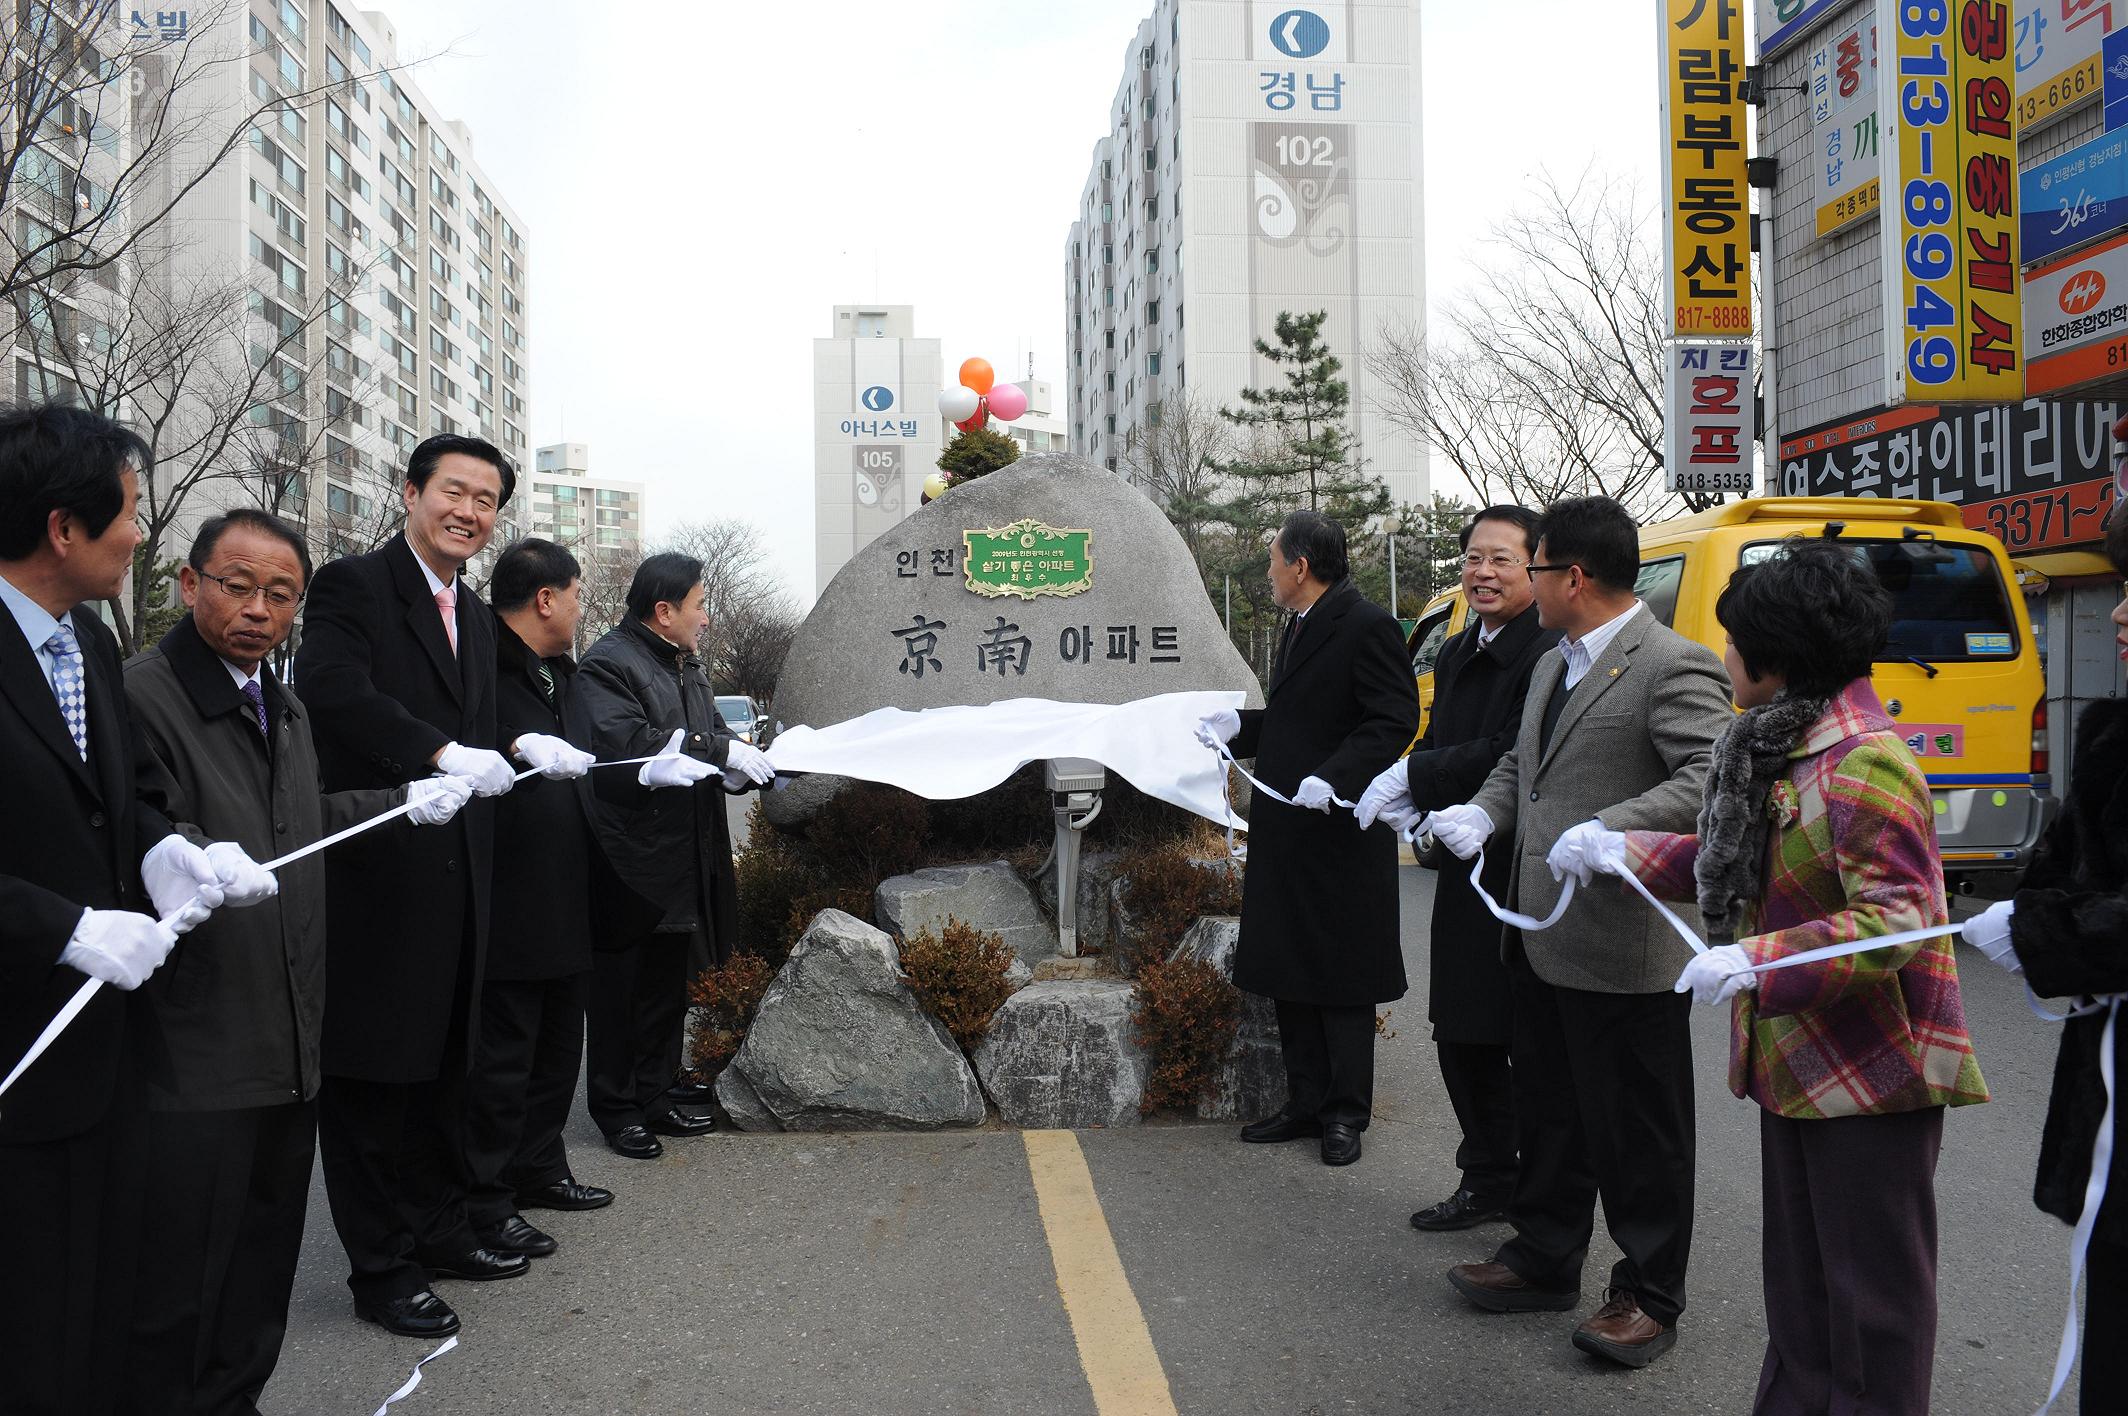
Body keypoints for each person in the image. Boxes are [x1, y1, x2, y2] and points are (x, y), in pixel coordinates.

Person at [1584, 541, 1987, 1412]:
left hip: (1875, 1070)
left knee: (1873, 1298)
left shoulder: (1865, 760)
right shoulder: (1779, 743)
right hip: (1796, 1058)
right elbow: (1735, 857)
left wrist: (1756, 958)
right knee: (1801, 1286)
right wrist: (1623, 851)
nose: (1725, 655)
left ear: (1781, 652)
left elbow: (1903, 921)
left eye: (1736, 641)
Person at [120, 509, 475, 1414]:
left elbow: (303, 822)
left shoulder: (284, 702)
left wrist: (403, 799)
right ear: (189, 583)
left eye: (280, 595)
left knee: (261, 1262)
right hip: (198, 1044)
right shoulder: (143, 695)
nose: (256, 609)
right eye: (236, 585)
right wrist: (186, 849)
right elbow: (136, 826)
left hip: (289, 1032)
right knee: (179, 1281)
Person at [0, 405, 274, 1415]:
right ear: (64, 528)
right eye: (129, 512)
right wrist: (60, 927)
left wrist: (167, 852)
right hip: (15, 1054)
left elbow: (122, 800)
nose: (140, 534)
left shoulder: (90, 642)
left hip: (110, 1059)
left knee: (93, 1306)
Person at [295, 433, 590, 1338]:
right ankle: (380, 1270)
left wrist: (514, 744)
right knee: (375, 1083)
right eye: (454, 492)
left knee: (439, 1077)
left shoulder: (466, 608)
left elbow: (475, 727)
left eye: (486, 500)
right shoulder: (355, 587)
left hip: (463, 881)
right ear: (413, 493)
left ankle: (437, 1228)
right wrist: (438, 750)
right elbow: (334, 691)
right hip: (381, 875)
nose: (469, 512)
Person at [1427, 494, 1731, 1368]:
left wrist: (1617, 825)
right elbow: (1523, 765)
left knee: (1640, 1133)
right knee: (1551, 1114)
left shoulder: (1671, 663)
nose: (1517, 578)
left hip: (1623, 945)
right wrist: (1482, 816)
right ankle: (1544, 1255)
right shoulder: (1554, 663)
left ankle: (1648, 1295)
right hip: (1542, 936)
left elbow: (1712, 773)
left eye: (1533, 565)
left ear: (1573, 576)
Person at [1962, 509, 2128, 1416]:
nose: (2117, 615)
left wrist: (2043, 937)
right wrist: (2029, 911)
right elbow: (2069, 867)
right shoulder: (2112, 733)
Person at [1195, 510, 1420, 1167]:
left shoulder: (1368, 624)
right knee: (1291, 969)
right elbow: (1299, 717)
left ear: (1300, 566)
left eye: (1273, 560)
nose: (1267, 571)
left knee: (1342, 977)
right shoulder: (1298, 626)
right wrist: (1239, 726)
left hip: (1340, 833)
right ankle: (1303, 1102)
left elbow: (1393, 717)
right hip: (1289, 830)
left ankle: (1345, 1115)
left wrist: (1335, 775)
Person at [1356, 505, 1557, 1229]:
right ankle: (1487, 1176)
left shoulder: (1549, 655)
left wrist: (1421, 779)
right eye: (1474, 558)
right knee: (1462, 1027)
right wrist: (1416, 783)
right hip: (1461, 868)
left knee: (1526, 1042)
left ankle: (1537, 1194)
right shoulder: (1460, 647)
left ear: (1538, 567)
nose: (1483, 572)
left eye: (1503, 559)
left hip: (1528, 870)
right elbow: (1439, 734)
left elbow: (1511, 750)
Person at [577, 553, 773, 1160]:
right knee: (622, 991)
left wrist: (743, 762)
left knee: (665, 984)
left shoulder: (686, 667)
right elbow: (628, 746)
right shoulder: (609, 666)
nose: (707, 618)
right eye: (700, 605)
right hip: (632, 860)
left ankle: (656, 1090)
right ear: (663, 612)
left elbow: (713, 740)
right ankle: (615, 1107)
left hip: (684, 852)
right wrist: (720, 750)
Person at [461, 538, 612, 1260]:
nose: (581, 608)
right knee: (503, 1062)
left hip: (565, 893)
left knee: (557, 1051)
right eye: (578, 593)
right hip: (509, 896)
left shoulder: (560, 673)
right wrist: (515, 745)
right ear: (545, 598)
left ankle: (541, 1166)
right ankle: (487, 1200)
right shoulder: (481, 663)